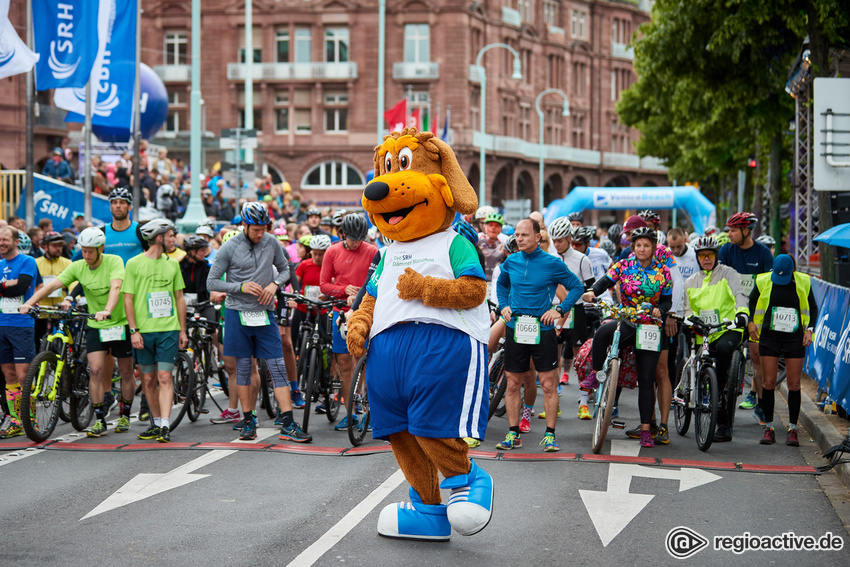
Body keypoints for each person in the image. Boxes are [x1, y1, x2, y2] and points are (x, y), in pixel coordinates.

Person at [207, 202, 311, 443]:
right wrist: (239, 287)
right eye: (255, 229)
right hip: (237, 314)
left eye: (263, 228)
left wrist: (275, 285)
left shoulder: (272, 242)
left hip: (264, 314)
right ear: (244, 225)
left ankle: (287, 422)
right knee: (243, 368)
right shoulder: (229, 247)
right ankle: (248, 420)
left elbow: (286, 269)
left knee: (277, 367)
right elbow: (212, 282)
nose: (260, 233)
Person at [21, 228, 137, 436]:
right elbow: (53, 285)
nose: (86, 255)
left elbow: (116, 288)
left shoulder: (114, 261)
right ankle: (100, 418)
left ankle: (125, 415)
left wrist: (108, 310)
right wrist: (29, 303)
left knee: (127, 372)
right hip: (95, 324)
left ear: (101, 249)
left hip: (118, 322)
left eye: (90, 251)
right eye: (83, 251)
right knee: (95, 371)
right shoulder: (79, 266)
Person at [495, 218, 584, 452]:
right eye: (517, 235)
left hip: (542, 330)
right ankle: (513, 434)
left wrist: (559, 310)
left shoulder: (552, 263)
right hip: (516, 327)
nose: (519, 239)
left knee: (547, 384)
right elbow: (502, 285)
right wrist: (503, 305)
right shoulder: (511, 261)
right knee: (513, 383)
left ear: (537, 237)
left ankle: (550, 436)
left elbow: (577, 287)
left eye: (525, 235)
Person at [583, 227, 673, 448]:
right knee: (603, 333)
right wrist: (592, 291)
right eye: (638, 245)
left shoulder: (664, 272)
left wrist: (660, 309)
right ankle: (596, 375)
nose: (642, 249)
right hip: (626, 319)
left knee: (646, 380)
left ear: (653, 248)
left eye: (647, 245)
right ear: (633, 247)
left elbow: (668, 300)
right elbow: (605, 281)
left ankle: (645, 431)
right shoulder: (624, 265)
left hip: (650, 328)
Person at [123, 219, 188, 443]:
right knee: (148, 379)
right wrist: (133, 330)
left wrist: (182, 330)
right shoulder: (133, 263)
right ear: (159, 237)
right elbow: (128, 300)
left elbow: (179, 298)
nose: (174, 239)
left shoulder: (173, 264)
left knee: (164, 376)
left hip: (168, 329)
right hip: (143, 331)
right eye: (170, 235)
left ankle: (166, 426)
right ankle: (157, 422)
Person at [682, 236, 749, 442]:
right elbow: (687, 308)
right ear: (697, 258)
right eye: (702, 256)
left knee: (721, 352)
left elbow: (740, 295)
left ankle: (722, 415)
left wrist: (742, 313)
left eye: (710, 255)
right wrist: (688, 319)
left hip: (727, 328)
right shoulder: (690, 281)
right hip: (703, 329)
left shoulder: (729, 274)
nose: (706, 259)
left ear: (716, 256)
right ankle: (687, 386)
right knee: (685, 342)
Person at [748, 254, 816, 446]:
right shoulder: (763, 280)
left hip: (794, 338)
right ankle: (769, 427)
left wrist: (809, 330)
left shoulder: (803, 281)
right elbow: (752, 302)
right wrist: (752, 322)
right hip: (769, 337)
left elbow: (813, 307)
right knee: (768, 383)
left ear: (792, 271)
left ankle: (793, 429)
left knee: (794, 385)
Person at [319, 213, 377, 430]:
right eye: (352, 238)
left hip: (365, 311)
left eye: (360, 239)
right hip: (341, 311)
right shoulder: (332, 251)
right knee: (343, 362)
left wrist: (359, 296)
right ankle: (350, 412)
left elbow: (374, 280)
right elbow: (324, 285)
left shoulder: (372, 251)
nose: (356, 243)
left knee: (363, 360)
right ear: (343, 234)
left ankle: (369, 409)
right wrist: (344, 290)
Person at [718, 212, 774, 424]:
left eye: (733, 230)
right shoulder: (726, 250)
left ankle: (760, 402)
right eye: (729, 230)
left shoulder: (763, 253)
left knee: (757, 356)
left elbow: (767, 289)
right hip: (730, 311)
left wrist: (752, 319)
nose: (729, 234)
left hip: (754, 313)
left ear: (746, 231)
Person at [548, 217, 594, 396]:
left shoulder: (582, 259)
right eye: (554, 241)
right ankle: (554, 394)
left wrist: (588, 294)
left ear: (568, 238)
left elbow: (591, 285)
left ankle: (583, 397)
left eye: (560, 240)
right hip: (554, 310)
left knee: (579, 355)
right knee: (554, 354)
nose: (556, 244)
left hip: (576, 310)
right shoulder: (550, 259)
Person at [0, 226, 38, 438]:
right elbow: (11, 286)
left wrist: (3, 285)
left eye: (5, 239)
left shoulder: (27, 261)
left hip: (21, 325)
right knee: (9, 375)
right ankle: (15, 421)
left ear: (16, 241)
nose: (2, 243)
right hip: (1, 324)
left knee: (24, 375)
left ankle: (29, 419)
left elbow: (21, 287)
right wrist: (8, 284)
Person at [33, 232, 72, 348]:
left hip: (61, 308)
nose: (59, 248)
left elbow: (74, 283)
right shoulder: (35, 263)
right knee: (36, 341)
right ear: (45, 247)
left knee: (67, 340)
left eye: (60, 245)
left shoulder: (67, 263)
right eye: (55, 246)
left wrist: (74, 297)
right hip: (41, 309)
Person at [103, 188, 145, 265]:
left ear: (129, 207)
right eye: (115, 203)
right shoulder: (102, 232)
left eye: (122, 203)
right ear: (110, 207)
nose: (118, 206)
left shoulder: (140, 231)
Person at [477, 213, 506, 285]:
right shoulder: (477, 244)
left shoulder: (503, 247)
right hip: (481, 283)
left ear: (500, 229)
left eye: (496, 226)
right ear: (485, 228)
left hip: (497, 284)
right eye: (490, 225)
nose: (493, 228)